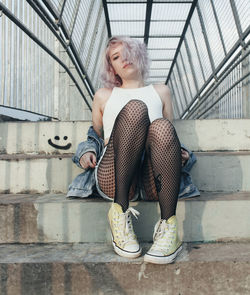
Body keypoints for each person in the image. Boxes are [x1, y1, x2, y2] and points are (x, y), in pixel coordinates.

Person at [78, 36, 189, 264]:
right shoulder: (104, 95)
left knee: (160, 126)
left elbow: (169, 133)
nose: (123, 60)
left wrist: (181, 153)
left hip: (152, 178)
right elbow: (95, 135)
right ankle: (119, 211)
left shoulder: (161, 91)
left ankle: (169, 228)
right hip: (115, 174)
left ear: (139, 54)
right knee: (136, 110)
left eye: (128, 52)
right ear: (112, 67)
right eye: (116, 57)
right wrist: (86, 151)